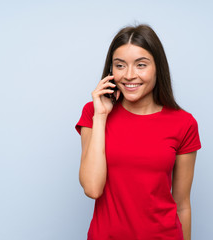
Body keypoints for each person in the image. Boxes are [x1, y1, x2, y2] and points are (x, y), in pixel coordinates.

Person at [75, 24, 201, 240]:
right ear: (111, 70)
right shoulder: (93, 113)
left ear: (157, 67)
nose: (129, 75)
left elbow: (182, 205)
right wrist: (102, 115)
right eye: (120, 65)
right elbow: (93, 188)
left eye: (141, 65)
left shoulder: (183, 123)